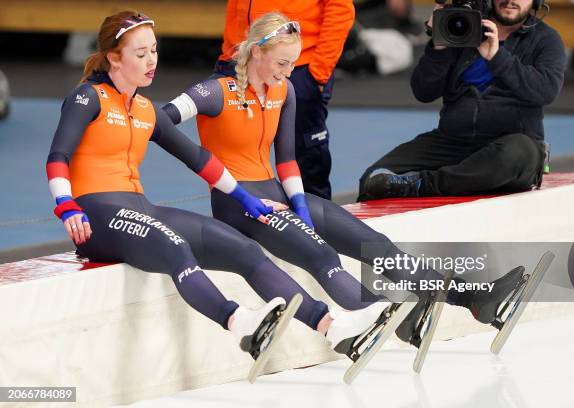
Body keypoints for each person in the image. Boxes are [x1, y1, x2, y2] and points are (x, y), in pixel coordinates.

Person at [45, 10, 395, 360]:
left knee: (244, 250)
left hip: (141, 208)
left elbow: (198, 158)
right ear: (113, 58)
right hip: (95, 216)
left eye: (154, 50)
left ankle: (333, 329)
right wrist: (66, 205)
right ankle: (239, 322)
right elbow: (58, 155)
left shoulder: (146, 109)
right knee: (175, 247)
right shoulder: (87, 98)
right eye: (141, 54)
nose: (152, 60)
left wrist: (245, 198)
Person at [163, 12, 525, 343]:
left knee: (376, 245)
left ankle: (473, 299)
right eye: (282, 63)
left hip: (280, 194)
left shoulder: (283, 90)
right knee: (320, 254)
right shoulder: (214, 91)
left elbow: (287, 160)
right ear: (256, 53)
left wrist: (300, 204)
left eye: (293, 64)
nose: (288, 72)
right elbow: (157, 123)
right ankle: (384, 314)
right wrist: (215, 173)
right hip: (239, 205)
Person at [358, 0, 565, 201]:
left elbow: (545, 90)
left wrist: (497, 57)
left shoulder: (545, 39)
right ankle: (430, 184)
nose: (510, 0)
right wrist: (439, 45)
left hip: (509, 143)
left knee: (520, 153)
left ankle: (422, 184)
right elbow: (423, 92)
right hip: (453, 141)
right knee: (373, 179)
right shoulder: (460, 27)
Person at [213, 0, 356, 199]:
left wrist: (318, 71)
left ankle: (315, 222)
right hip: (242, 61)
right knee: (234, 148)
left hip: (299, 67)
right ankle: (240, 215)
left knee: (307, 155)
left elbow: (340, 9)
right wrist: (230, 53)